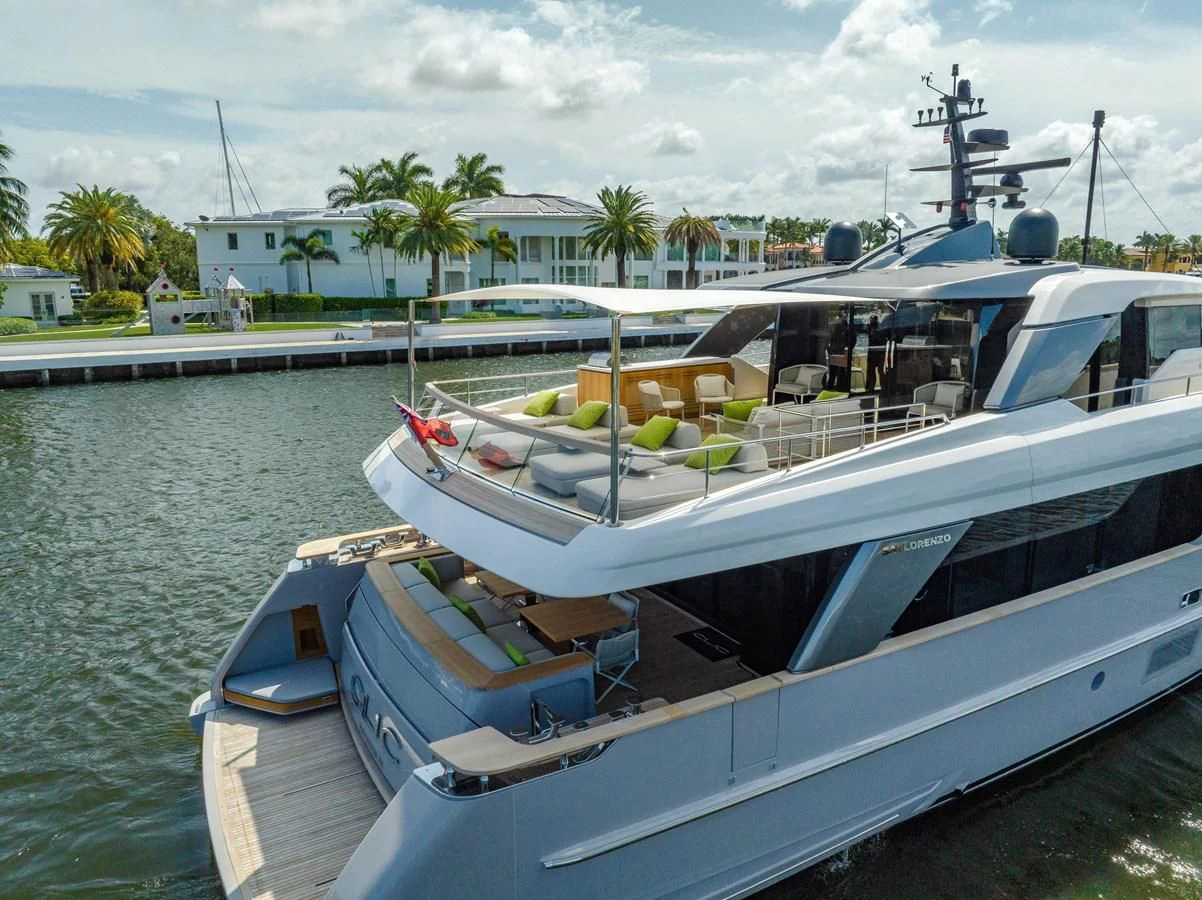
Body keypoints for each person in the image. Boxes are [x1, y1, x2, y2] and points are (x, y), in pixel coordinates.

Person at [866, 315, 886, 393]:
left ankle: (881, 388)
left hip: (877, 353)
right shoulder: (873, 328)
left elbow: (875, 338)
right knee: (873, 372)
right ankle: (873, 388)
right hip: (875, 353)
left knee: (879, 372)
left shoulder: (873, 328)